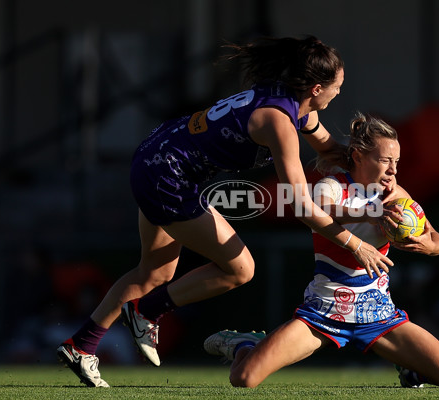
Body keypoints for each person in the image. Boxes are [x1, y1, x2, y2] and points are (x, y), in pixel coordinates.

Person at [56, 36, 394, 388]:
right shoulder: (279, 122)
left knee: (153, 273)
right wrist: (356, 244)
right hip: (168, 175)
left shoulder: (294, 104)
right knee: (240, 269)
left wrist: (376, 165)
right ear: (317, 87)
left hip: (154, 156)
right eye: (337, 87)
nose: (339, 93)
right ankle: (147, 311)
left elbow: (333, 151)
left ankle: (81, 345)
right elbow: (301, 205)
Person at [203, 113, 439, 389]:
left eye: (396, 162)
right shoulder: (331, 186)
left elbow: (436, 239)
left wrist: (430, 246)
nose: (393, 169)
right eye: (384, 161)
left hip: (379, 316)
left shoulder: (396, 195)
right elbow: (321, 211)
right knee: (244, 379)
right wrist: (372, 213)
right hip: (323, 314)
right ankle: (246, 345)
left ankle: (411, 371)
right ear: (357, 156)